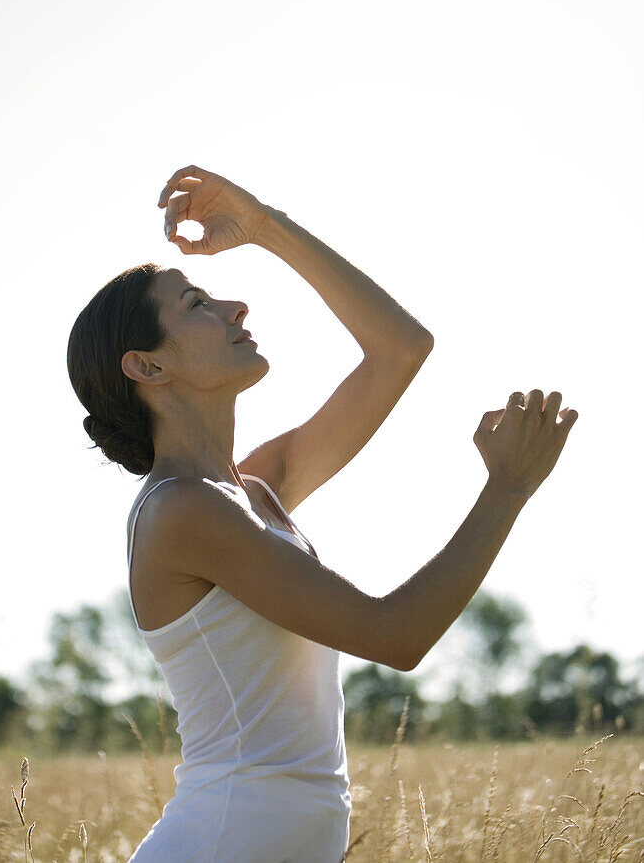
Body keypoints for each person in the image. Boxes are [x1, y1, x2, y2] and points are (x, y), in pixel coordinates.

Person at [66, 164, 578, 863]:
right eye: (195, 305)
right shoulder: (182, 511)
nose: (235, 308)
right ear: (148, 368)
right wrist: (508, 488)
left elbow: (402, 348)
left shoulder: (256, 491)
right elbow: (397, 635)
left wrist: (264, 226)